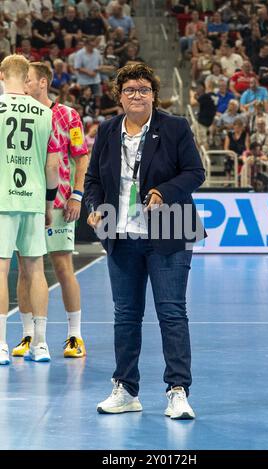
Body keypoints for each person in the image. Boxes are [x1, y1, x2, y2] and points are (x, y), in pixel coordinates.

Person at [84, 63, 206, 419]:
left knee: (171, 313)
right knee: (125, 316)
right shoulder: (107, 131)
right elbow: (93, 180)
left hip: (169, 229)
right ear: (119, 96)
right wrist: (93, 207)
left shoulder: (175, 127)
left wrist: (162, 191)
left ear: (154, 94)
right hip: (121, 235)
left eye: (143, 89)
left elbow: (195, 173)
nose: (137, 95)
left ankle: (178, 390)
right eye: (130, 90)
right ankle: (125, 388)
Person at [13, 62, 89, 359]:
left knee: (62, 267)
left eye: (28, 80)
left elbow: (81, 158)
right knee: (26, 270)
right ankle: (28, 334)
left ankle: (75, 335)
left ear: (42, 82)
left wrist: (77, 195)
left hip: (60, 204)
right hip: (27, 203)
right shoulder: (20, 116)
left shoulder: (68, 115)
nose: (25, 85)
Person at [0, 54, 60, 365]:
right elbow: (53, 167)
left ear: (1, 75)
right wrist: (49, 204)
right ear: (26, 79)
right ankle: (40, 344)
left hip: (2, 200)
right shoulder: (45, 113)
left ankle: (0, 344)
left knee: (1, 270)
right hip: (34, 200)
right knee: (36, 271)